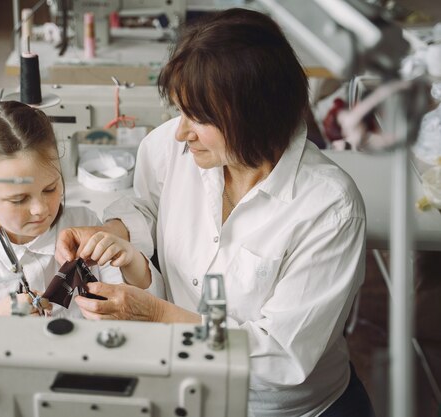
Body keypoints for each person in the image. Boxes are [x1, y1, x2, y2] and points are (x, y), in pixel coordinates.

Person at [56, 9, 375, 417]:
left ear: (254, 117)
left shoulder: (329, 209)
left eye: (201, 118)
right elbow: (146, 205)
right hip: (185, 387)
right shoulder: (173, 150)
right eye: (181, 111)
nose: (181, 132)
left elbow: (280, 357)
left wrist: (154, 314)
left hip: (280, 409)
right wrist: (112, 232)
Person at [0, 101, 159, 316]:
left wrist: (133, 263)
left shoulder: (85, 223)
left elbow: (139, 314)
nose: (40, 209)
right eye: (19, 199)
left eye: (50, 189)